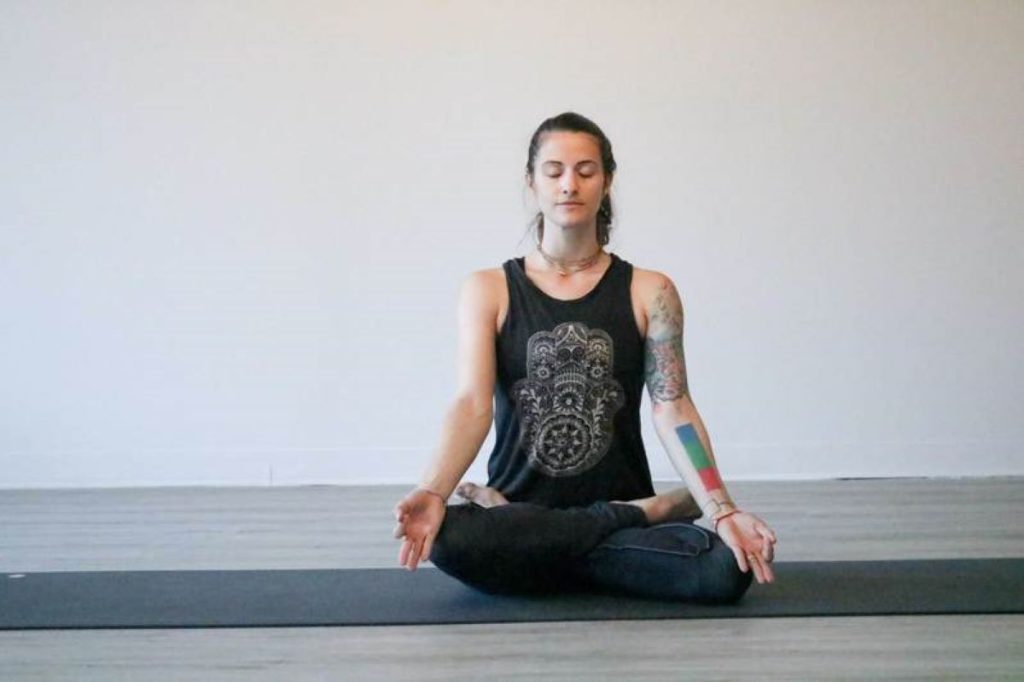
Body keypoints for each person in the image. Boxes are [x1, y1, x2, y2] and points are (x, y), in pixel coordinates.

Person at [392, 112, 777, 602]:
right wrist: (432, 491)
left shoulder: (649, 291)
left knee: (726, 569)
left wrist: (720, 508)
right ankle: (642, 518)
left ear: (607, 181)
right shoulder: (487, 289)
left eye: (585, 171)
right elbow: (472, 404)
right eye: (553, 171)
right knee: (448, 538)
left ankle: (547, 556)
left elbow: (673, 407)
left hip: (525, 523)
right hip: (541, 509)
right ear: (531, 182)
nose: (569, 184)